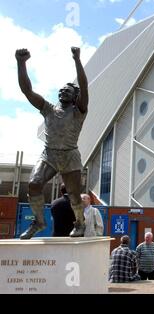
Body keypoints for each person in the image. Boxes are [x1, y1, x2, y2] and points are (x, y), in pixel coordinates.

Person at [16, 47, 89, 239]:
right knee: (33, 183)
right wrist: (21, 63)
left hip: (70, 155)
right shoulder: (48, 108)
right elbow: (27, 90)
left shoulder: (78, 111)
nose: (63, 91)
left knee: (74, 195)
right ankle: (39, 221)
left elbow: (84, 85)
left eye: (68, 90)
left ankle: (80, 222)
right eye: (61, 90)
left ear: (75, 97)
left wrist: (77, 60)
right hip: (49, 154)